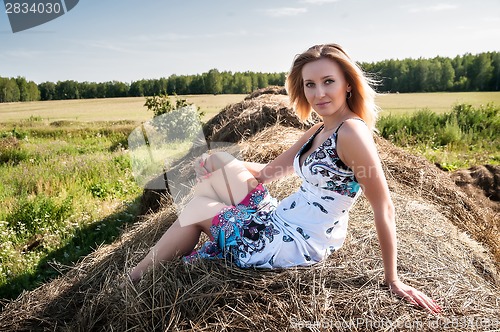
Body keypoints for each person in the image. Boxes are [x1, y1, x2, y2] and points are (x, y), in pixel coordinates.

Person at [127, 43, 442, 314]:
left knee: (195, 209)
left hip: (299, 241)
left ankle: (132, 280)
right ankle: (211, 235)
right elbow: (267, 173)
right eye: (309, 84)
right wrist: (219, 162)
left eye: (328, 81)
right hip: (282, 216)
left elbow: (384, 206)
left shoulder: (351, 133)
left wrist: (393, 280)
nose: (318, 93)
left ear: (348, 83)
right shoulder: (320, 129)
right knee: (218, 170)